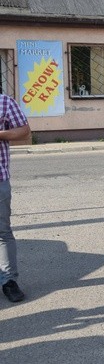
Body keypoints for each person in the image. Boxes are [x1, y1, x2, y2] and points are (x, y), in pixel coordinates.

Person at [1, 94, 31, 303]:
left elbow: (23, 130)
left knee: (2, 232)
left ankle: (9, 281)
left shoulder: (3, 102)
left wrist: (1, 134)